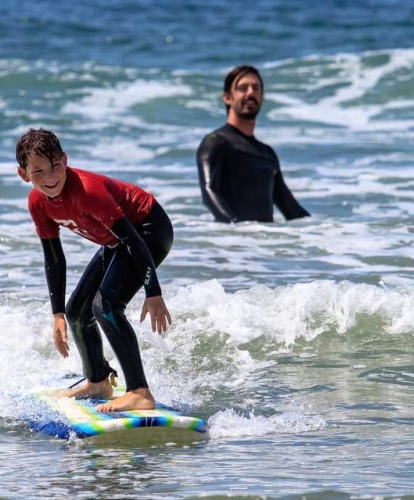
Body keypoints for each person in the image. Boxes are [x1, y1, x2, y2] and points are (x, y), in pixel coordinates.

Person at [16, 128, 173, 412]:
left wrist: (153, 291)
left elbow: (134, 241)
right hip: (118, 240)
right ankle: (99, 379)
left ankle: (140, 391)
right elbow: (54, 257)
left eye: (55, 166)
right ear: (23, 174)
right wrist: (57, 314)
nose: (51, 177)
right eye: (38, 171)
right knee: (78, 309)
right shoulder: (38, 204)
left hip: (149, 231)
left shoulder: (88, 192)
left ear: (64, 160)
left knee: (107, 305)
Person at [196, 65, 310, 223]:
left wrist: (324, 232)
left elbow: (291, 208)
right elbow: (210, 193)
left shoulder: (267, 154)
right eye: (243, 88)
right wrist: (238, 228)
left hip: (261, 245)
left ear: (262, 97)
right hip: (229, 244)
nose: (251, 92)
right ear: (228, 97)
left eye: (256, 88)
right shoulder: (215, 142)